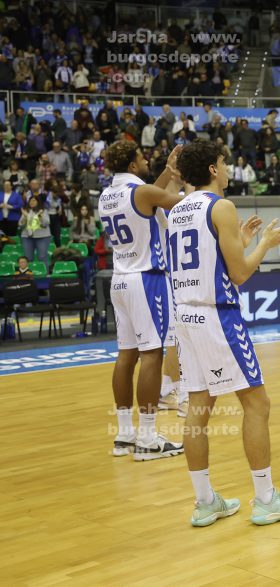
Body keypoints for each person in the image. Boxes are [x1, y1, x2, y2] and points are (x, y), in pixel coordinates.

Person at [169, 140, 280, 527]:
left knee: (198, 408)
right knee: (257, 404)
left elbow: (208, 258)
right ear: (213, 170)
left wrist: (241, 242)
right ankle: (266, 499)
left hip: (185, 317)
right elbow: (239, 274)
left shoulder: (177, 209)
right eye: (224, 162)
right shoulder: (222, 206)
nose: (228, 168)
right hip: (217, 316)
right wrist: (264, 244)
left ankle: (205, 502)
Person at [98, 141, 184, 461]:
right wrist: (191, 180)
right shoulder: (143, 193)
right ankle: (147, 437)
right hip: (146, 278)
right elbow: (176, 202)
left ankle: (125, 435)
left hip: (120, 279)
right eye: (141, 158)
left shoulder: (107, 194)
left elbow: (147, 198)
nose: (146, 160)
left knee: (126, 355)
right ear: (133, 165)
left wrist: (167, 172)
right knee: (152, 354)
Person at [19, 196, 51, 271]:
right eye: (30, 201)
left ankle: (45, 273)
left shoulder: (43, 211)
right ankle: (28, 274)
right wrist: (25, 216)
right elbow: (20, 224)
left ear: (38, 202)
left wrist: (40, 216)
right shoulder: (26, 211)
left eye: (34, 201)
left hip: (42, 237)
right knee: (28, 257)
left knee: (42, 257)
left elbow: (46, 223)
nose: (32, 202)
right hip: (27, 237)